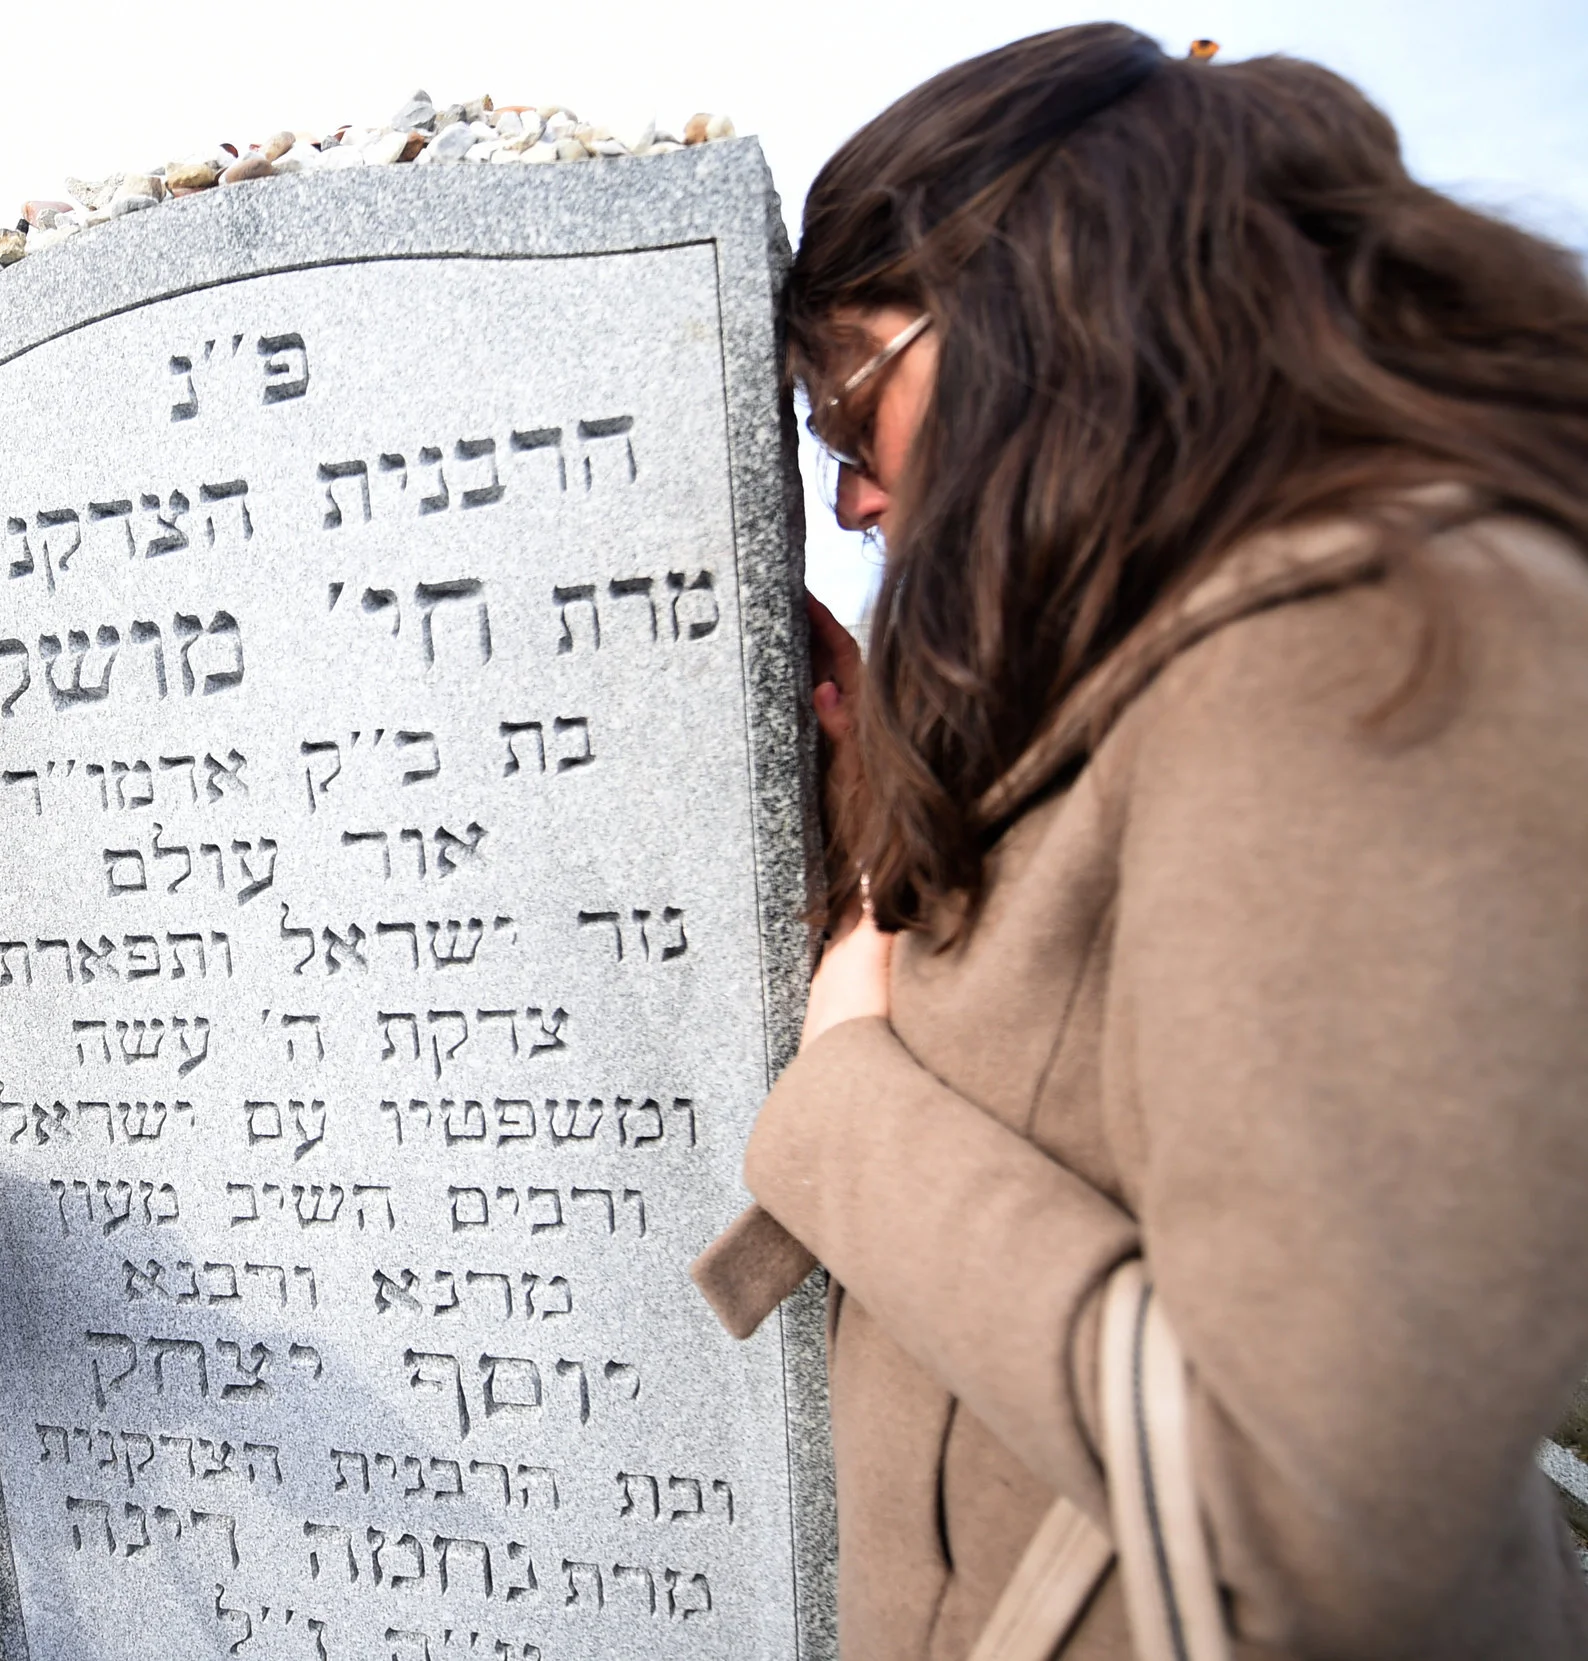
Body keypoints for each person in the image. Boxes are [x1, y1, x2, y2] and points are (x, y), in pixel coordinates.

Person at [691, 24, 1588, 1660]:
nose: (852, 502)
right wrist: (867, 773)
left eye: (847, 406)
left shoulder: (1384, 643)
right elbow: (1098, 1006)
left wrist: (842, 1108)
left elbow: (1312, 1522)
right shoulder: (1214, 638)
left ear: (1033, 311)